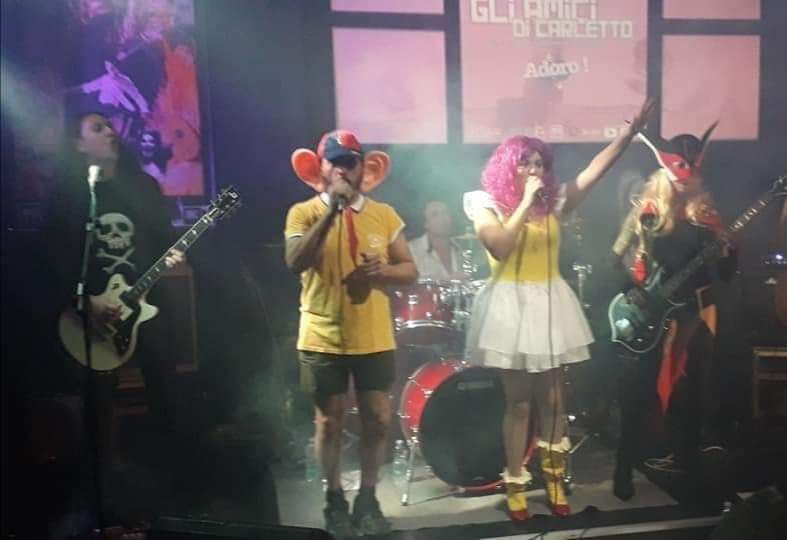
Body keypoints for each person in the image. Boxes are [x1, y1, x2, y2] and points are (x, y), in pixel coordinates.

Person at [462, 98, 654, 521]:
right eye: (526, 163)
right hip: (510, 305)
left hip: (549, 301)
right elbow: (499, 246)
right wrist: (524, 204)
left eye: (540, 164)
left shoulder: (553, 204)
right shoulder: (484, 203)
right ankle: (515, 482)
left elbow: (593, 172)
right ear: (508, 167)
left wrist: (626, 135)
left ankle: (554, 479)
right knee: (519, 404)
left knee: (553, 400)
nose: (535, 170)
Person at [42, 112, 185, 523]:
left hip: (145, 309)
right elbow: (52, 259)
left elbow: (164, 240)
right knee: (97, 402)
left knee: (167, 388)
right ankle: (100, 489)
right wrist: (86, 303)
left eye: (109, 125)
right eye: (97, 128)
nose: (110, 131)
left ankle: (173, 487)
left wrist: (173, 255)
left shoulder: (143, 188)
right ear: (78, 145)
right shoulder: (71, 194)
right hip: (90, 316)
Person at [284, 130, 417, 538]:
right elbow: (295, 260)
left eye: (350, 162)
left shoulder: (385, 214)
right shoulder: (303, 212)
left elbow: (410, 270)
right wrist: (331, 212)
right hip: (322, 336)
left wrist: (385, 272)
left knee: (378, 418)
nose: (342, 169)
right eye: (335, 162)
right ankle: (334, 498)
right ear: (320, 168)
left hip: (374, 337)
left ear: (363, 168)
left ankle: (368, 498)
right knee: (329, 422)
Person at [609, 123, 737, 501]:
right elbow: (615, 257)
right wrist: (632, 290)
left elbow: (725, 273)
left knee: (692, 389)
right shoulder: (647, 211)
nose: (686, 179)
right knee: (639, 392)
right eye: (680, 169)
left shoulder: (706, 213)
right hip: (651, 313)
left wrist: (728, 246)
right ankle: (624, 466)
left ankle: (686, 461)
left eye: (692, 171)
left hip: (694, 313)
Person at [408, 200, 467, 280]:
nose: (443, 219)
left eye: (445, 213)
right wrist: (446, 280)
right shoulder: (412, 250)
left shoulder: (462, 249)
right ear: (426, 224)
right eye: (435, 215)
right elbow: (406, 283)